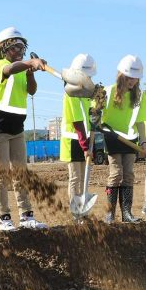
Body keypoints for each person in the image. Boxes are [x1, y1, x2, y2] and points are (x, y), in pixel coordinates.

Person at [0, 27, 47, 232]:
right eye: (16, 46)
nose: (20, 50)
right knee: (1, 173)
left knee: (21, 172)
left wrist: (30, 72)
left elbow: (32, 90)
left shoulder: (22, 69)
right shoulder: (0, 65)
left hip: (16, 126)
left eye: (22, 47)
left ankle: (26, 216)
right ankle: (4, 218)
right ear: (4, 48)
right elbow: (9, 70)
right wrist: (29, 62)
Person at [101, 55, 146, 223]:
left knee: (128, 174)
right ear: (121, 75)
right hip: (112, 136)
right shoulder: (108, 91)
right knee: (115, 174)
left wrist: (143, 142)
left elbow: (140, 121)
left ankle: (127, 214)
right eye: (129, 77)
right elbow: (96, 114)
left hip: (131, 139)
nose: (133, 81)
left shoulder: (140, 96)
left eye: (136, 78)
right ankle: (109, 214)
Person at [59, 54, 97, 202]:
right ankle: (75, 211)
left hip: (85, 139)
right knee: (75, 177)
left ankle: (82, 208)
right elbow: (77, 121)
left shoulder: (86, 94)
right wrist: (85, 146)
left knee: (84, 177)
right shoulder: (70, 93)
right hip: (73, 140)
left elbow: (90, 116)